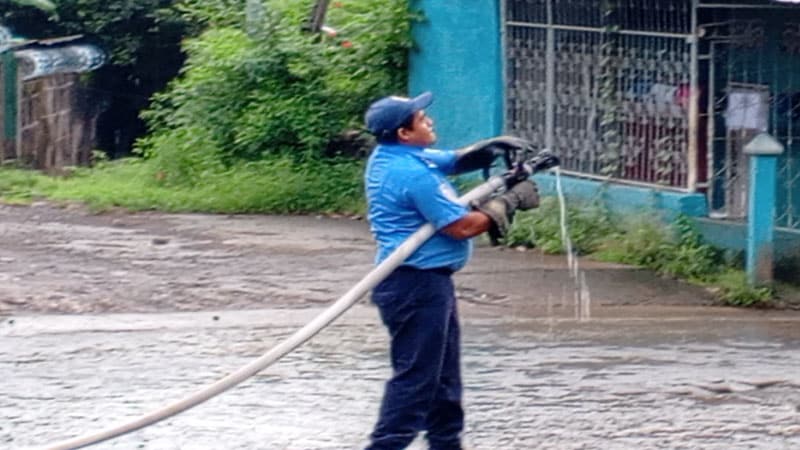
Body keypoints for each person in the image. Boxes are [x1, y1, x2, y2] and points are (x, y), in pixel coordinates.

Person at [362, 91, 541, 450]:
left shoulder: (403, 155)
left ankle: (446, 445)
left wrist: (488, 150)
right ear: (404, 133)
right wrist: (509, 200)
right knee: (416, 384)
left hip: (426, 284)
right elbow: (461, 226)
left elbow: (452, 160)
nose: (431, 122)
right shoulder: (410, 174)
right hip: (414, 285)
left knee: (444, 385)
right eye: (422, 119)